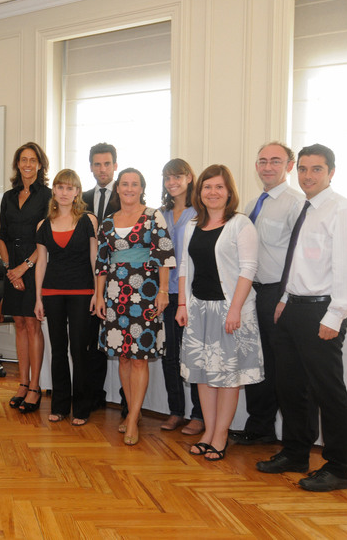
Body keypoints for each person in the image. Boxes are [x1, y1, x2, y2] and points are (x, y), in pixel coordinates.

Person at [256, 144, 347, 492]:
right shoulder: (307, 208)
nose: (307, 176)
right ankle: (296, 452)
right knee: (291, 388)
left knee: (327, 391)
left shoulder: (343, 210)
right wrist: (285, 299)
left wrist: (336, 315)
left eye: (316, 169)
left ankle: (338, 467)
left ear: (331, 172)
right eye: (302, 169)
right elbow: (300, 261)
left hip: (323, 310)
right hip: (292, 308)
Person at [176, 164, 263, 462]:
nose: (212, 192)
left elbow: (248, 269)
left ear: (229, 192)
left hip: (229, 310)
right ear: (199, 193)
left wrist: (235, 309)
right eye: (207, 187)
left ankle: (221, 435)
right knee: (202, 374)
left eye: (218, 187)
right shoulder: (192, 225)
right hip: (199, 308)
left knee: (228, 376)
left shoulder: (241, 224)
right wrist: (182, 304)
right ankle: (208, 431)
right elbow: (185, 267)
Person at [230, 142, 307, 446]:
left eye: (276, 161)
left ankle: (288, 439)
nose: (267, 167)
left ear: (289, 166)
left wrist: (285, 296)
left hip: (278, 292)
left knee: (278, 364)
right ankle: (258, 427)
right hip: (252, 292)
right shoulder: (251, 204)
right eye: (262, 161)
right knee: (255, 360)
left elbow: (298, 257)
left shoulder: (296, 203)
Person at [95, 168, 174, 446]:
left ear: (142, 188)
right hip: (116, 294)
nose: (129, 188)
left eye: (135, 184)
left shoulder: (154, 216)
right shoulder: (107, 222)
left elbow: (164, 255)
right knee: (123, 357)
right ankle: (132, 413)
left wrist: (163, 292)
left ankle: (132, 418)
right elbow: (101, 264)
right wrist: (99, 295)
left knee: (139, 357)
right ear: (117, 188)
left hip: (146, 294)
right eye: (125, 184)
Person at [34, 169, 97, 425]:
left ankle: (82, 408)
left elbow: (96, 260)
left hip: (83, 292)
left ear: (77, 192)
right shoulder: (42, 224)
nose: (64, 192)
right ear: (54, 191)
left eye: (70, 188)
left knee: (79, 350)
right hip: (52, 293)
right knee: (58, 350)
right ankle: (60, 406)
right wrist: (38, 298)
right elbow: (41, 264)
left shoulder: (89, 221)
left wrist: (98, 293)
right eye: (60, 187)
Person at [0, 142, 51, 414]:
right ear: (17, 164)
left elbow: (45, 238)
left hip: (35, 265)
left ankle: (35, 387)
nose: (27, 164)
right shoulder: (8, 196)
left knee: (32, 325)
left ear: (40, 165)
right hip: (12, 267)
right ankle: (22, 382)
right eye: (23, 160)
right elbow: (1, 235)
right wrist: (10, 268)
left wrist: (24, 267)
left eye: (33, 160)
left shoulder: (48, 196)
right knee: (18, 323)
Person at [158, 159, 204, 436]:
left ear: (189, 178)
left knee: (193, 356)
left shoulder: (199, 212)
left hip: (193, 295)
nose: (172, 182)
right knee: (169, 356)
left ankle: (199, 414)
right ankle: (176, 411)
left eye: (177, 176)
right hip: (166, 294)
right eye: (167, 178)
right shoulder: (161, 214)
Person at [81, 142, 127, 415]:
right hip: (88, 280)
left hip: (121, 279)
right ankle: (94, 396)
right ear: (91, 167)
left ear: (115, 166)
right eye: (97, 164)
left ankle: (127, 401)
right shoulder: (81, 197)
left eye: (107, 164)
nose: (102, 169)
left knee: (123, 343)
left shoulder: (126, 195)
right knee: (91, 342)